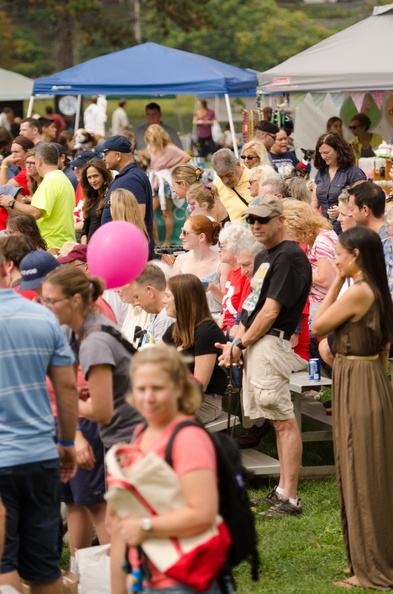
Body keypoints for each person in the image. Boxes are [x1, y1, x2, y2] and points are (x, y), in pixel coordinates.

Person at [216, 195, 311, 516]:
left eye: (263, 219)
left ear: (280, 220)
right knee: (274, 417)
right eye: (251, 220)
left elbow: (270, 312)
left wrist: (239, 346)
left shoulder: (290, 256)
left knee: (283, 421)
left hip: (272, 343)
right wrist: (234, 345)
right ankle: (282, 490)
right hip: (256, 344)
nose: (255, 225)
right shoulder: (264, 257)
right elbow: (249, 310)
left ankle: (291, 498)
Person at [312, 226, 393, 590]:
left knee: (363, 472)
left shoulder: (360, 291)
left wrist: (334, 282)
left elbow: (317, 325)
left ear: (355, 256)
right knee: (354, 467)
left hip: (359, 382)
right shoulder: (374, 289)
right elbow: (384, 351)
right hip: (363, 376)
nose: (336, 260)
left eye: (341, 254)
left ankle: (370, 567)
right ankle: (361, 557)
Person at [109, 344, 224, 594]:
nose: (148, 397)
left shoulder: (188, 438)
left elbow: (202, 514)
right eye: (141, 389)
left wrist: (145, 527)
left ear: (178, 388)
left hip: (184, 576)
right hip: (148, 572)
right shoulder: (141, 433)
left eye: (157, 388)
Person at [0, 250, 78, 594]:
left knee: (4, 566)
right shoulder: (43, 318)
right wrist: (67, 443)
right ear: (7, 268)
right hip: (40, 455)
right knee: (44, 567)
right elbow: (67, 388)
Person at [41, 265, 143, 450]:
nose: (45, 308)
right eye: (43, 300)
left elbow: (101, 413)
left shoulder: (94, 343)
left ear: (76, 300)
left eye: (51, 301)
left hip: (133, 440)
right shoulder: (74, 328)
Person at [162, 274, 228, 424]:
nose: (163, 301)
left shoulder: (207, 331)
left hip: (204, 402)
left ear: (182, 299)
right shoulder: (175, 329)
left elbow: (199, 386)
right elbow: (152, 360)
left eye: (167, 296)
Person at [0, 143, 76, 249]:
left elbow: (36, 212)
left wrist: (12, 202)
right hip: (60, 242)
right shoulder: (61, 177)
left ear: (39, 161)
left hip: (53, 244)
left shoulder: (50, 180)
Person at [99, 135, 154, 258]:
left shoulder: (130, 180)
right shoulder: (129, 176)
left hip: (128, 253)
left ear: (118, 155)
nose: (103, 159)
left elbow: (137, 219)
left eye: (106, 154)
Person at [172, 215, 230, 321]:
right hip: (185, 320)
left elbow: (228, 303)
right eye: (181, 231)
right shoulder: (180, 260)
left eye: (185, 232)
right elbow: (172, 296)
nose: (181, 236)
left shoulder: (222, 263)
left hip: (212, 321)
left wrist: (212, 288)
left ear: (201, 237)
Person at [145, 124, 190, 245]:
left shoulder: (169, 148)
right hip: (156, 182)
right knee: (150, 211)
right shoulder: (153, 148)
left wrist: (172, 168)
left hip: (164, 183)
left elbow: (186, 156)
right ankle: (156, 240)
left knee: (166, 213)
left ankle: (167, 241)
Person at [313, 133, 366, 234]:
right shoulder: (321, 172)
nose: (323, 157)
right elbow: (314, 203)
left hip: (346, 231)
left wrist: (342, 211)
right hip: (324, 229)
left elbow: (362, 203)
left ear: (338, 150)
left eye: (327, 152)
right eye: (321, 153)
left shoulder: (354, 172)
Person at [348, 181, 393, 296]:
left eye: (351, 209)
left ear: (365, 210)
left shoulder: (386, 243)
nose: (349, 214)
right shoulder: (374, 241)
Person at [217, 223, 252, 336]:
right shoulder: (232, 273)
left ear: (235, 248)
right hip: (225, 330)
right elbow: (224, 311)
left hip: (236, 333)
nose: (218, 249)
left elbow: (243, 313)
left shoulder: (246, 275)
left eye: (222, 246)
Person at [130, 263, 175, 344]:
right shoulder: (160, 314)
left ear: (150, 291)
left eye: (137, 297)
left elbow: (161, 356)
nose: (136, 303)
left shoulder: (166, 317)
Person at [211, 148, 251, 221]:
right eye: (221, 176)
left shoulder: (253, 179)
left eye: (229, 175)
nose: (225, 181)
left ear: (238, 165)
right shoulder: (216, 184)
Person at [80, 157, 112, 243]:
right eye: (89, 177)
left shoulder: (111, 196)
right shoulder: (91, 198)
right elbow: (85, 229)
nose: (92, 181)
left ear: (104, 175)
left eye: (96, 176)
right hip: (89, 249)